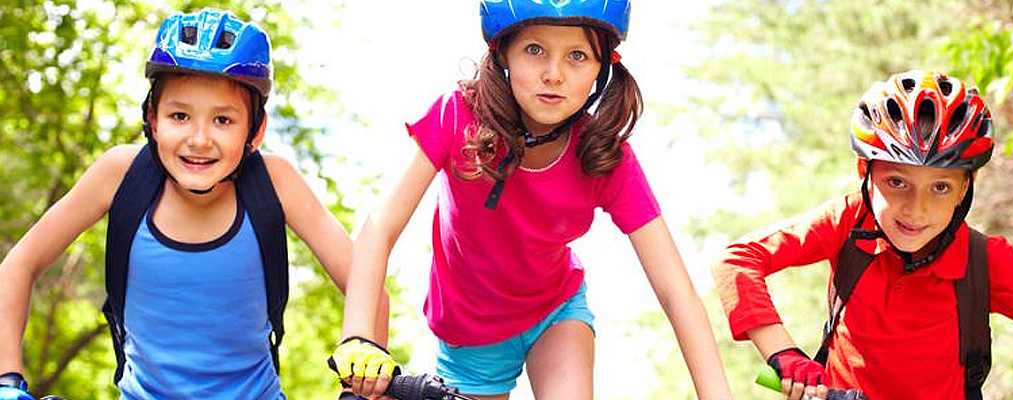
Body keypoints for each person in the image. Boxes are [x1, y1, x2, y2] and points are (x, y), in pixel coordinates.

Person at [327, 1, 735, 399]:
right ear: (502, 51)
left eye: (577, 55)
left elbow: (675, 290)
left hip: (554, 312)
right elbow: (380, 226)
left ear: (603, 67)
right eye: (534, 50)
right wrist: (360, 335)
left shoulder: (605, 155)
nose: (553, 74)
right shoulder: (458, 116)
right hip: (469, 331)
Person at [0, 8, 387, 400]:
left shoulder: (276, 182)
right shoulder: (120, 173)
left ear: (256, 130)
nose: (200, 139)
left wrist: (363, 383)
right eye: (180, 115)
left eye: (223, 120)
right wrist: (7, 381)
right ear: (153, 119)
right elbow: (18, 266)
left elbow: (366, 282)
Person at [715, 70, 1013, 400]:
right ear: (864, 172)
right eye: (897, 182)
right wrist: (783, 353)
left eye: (941, 188)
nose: (916, 209)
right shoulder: (848, 222)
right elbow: (738, 259)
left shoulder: (983, 261)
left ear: (966, 188)